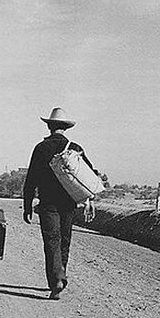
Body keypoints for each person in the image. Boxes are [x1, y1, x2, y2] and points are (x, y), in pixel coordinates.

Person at [23, 107, 98, 300]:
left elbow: (31, 179)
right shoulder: (75, 147)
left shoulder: (41, 148)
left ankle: (56, 278)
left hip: (48, 203)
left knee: (51, 241)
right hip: (68, 204)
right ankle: (61, 272)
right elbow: (89, 175)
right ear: (65, 128)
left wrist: (27, 205)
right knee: (65, 241)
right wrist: (88, 199)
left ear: (49, 126)